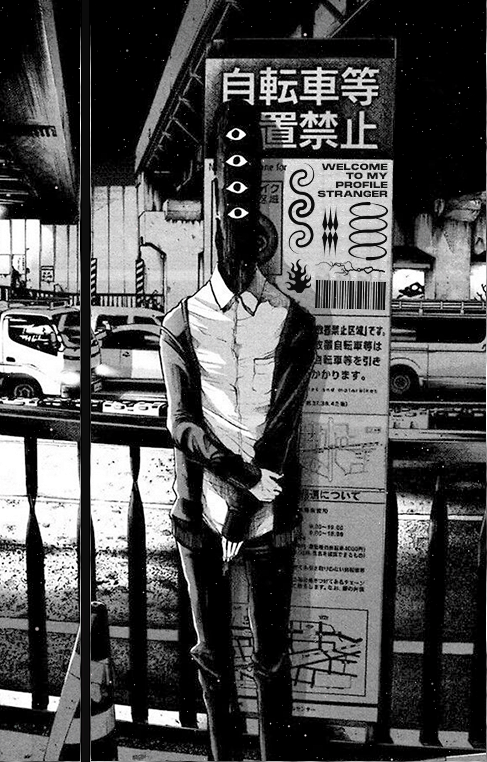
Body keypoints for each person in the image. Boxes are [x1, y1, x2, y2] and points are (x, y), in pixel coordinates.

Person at [159, 99, 317, 761]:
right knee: (215, 656)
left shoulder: (294, 323)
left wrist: (243, 501)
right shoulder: (180, 323)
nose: (236, 250)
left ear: (260, 241)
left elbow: (281, 429)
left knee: (267, 659)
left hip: (257, 517)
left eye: (244, 237)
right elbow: (180, 422)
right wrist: (242, 479)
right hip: (207, 515)